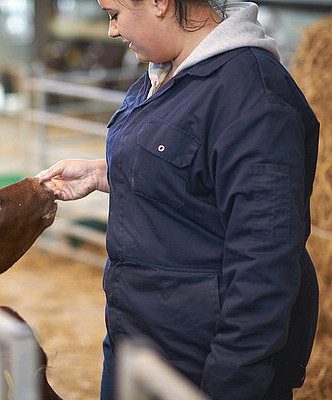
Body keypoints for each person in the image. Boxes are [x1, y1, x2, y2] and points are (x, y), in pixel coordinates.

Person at [36, 1, 319, 399]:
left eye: (114, 12)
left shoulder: (253, 99)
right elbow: (192, 175)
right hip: (140, 343)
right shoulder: (165, 74)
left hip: (200, 365)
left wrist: (229, 385)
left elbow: (264, 266)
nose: (112, 31)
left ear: (159, 2)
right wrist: (105, 171)